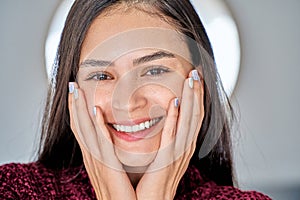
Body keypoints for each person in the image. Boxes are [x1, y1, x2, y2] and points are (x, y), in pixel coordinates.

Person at [0, 0, 271, 199]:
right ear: (73, 90)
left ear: (197, 81)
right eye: (102, 75)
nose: (128, 103)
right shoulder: (12, 190)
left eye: (154, 70)